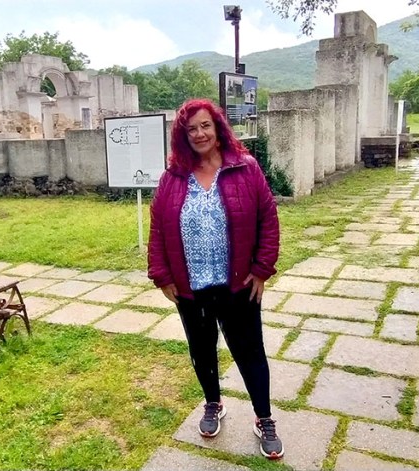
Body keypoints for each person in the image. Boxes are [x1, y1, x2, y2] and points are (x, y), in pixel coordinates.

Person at [147, 98, 283, 459]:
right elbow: (158, 228)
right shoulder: (172, 177)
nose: (199, 134)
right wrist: (162, 275)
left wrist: (262, 269)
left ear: (218, 128)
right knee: (202, 349)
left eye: (205, 125)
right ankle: (212, 402)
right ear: (182, 136)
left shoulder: (245, 168)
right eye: (191, 129)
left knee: (250, 352)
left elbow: (268, 218)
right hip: (190, 286)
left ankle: (264, 418)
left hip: (237, 284)